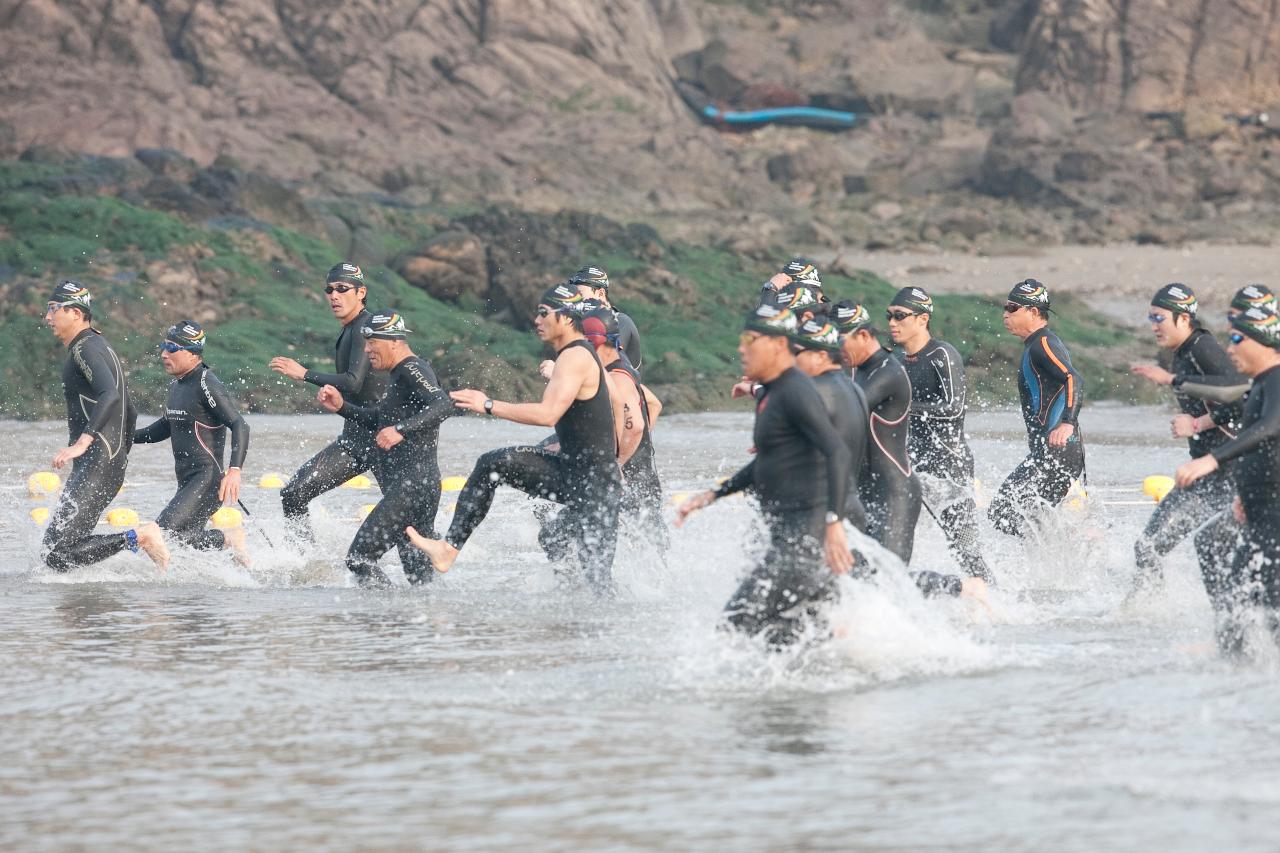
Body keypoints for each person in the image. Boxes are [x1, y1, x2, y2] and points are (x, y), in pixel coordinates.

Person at [405, 283, 623, 590]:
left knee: (597, 585)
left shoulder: (575, 357)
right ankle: (448, 549)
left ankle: (603, 629)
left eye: (544, 313)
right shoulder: (578, 356)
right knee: (494, 465)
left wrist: (488, 404)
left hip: (594, 484)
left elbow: (548, 414)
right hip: (576, 473)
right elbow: (612, 401)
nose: (536, 320)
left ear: (566, 317)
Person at [677, 304, 853, 648]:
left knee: (732, 628)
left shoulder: (796, 391)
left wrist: (834, 524)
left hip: (803, 541)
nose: (741, 348)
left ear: (776, 344)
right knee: (783, 637)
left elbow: (837, 451)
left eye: (750, 339)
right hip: (791, 537)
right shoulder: (773, 392)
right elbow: (769, 462)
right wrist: (714, 494)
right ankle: (835, 677)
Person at [316, 311, 453, 586]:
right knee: (420, 578)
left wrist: (401, 431)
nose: (366, 350)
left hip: (412, 486)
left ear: (393, 341)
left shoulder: (413, 368)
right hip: (417, 485)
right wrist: (342, 407)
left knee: (359, 559)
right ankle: (419, 624)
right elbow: (379, 420)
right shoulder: (399, 375)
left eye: (371, 343)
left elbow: (443, 405)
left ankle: (386, 624)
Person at [41, 280, 169, 571]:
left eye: (52, 309)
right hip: (100, 462)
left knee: (58, 556)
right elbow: (130, 410)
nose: (47, 318)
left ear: (75, 312)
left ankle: (140, 536)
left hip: (97, 462)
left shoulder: (85, 348)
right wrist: (118, 455)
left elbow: (109, 394)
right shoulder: (97, 344)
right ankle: (87, 607)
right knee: (53, 552)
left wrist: (84, 443)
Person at [1175, 305, 1280, 654]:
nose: (1229, 348)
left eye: (1237, 338)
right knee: (1235, 610)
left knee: (1262, 614)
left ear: (1263, 341)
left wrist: (1211, 459)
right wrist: (1242, 494)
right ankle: (1235, 687)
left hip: (1273, 521)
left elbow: (1270, 429)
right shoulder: (1263, 383)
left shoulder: (1277, 378)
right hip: (1257, 514)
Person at [1129, 284, 1243, 593]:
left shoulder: (1201, 346)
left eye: (1159, 317)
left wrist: (1197, 423)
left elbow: (1239, 395)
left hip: (1228, 470)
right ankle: (1148, 616)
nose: (1153, 325)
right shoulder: (1181, 354)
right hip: (1204, 471)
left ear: (1183, 319)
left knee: (1171, 546)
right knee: (1147, 548)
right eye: (1150, 317)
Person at [270, 263, 388, 541]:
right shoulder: (349, 329)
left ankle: (427, 571)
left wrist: (304, 374)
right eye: (329, 290)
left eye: (342, 289)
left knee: (404, 518)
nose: (334, 296)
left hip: (382, 440)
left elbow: (352, 382)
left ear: (361, 293)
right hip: (354, 440)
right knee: (294, 493)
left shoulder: (365, 327)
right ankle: (303, 563)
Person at [886, 286, 993, 583]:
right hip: (912, 468)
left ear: (922, 319)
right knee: (892, 543)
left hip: (949, 470)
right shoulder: (895, 361)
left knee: (965, 551)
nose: (892, 323)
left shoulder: (942, 354)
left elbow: (953, 407)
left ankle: (995, 603)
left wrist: (902, 408)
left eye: (900, 316)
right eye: (889, 316)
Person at [133, 321, 251, 564]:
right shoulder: (176, 384)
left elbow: (240, 424)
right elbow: (164, 427)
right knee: (180, 539)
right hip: (187, 478)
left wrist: (234, 471)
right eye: (164, 346)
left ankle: (160, 592)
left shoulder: (206, 382)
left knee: (162, 534)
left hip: (207, 479)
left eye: (172, 348)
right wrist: (124, 438)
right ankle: (228, 540)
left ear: (193, 353)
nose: (164, 354)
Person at [988, 279, 1085, 535]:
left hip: (1057, 453)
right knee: (1024, 514)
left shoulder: (1043, 343)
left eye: (1012, 308)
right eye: (1005, 307)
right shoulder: (1035, 345)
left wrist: (1067, 422)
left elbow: (1073, 378)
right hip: (1050, 454)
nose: (1005, 314)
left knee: (1003, 510)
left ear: (1032, 312)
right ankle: (1062, 556)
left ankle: (1071, 542)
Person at [836, 300, 923, 564]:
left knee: (890, 582)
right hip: (862, 493)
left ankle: (964, 589)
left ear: (863, 335)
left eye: (838, 343)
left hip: (894, 493)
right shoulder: (857, 369)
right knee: (857, 580)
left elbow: (846, 411)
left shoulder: (888, 372)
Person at [569, 266, 643, 376]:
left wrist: (560, 371)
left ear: (601, 293)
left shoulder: (621, 322)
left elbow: (605, 366)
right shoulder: (582, 325)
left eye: (580, 294)